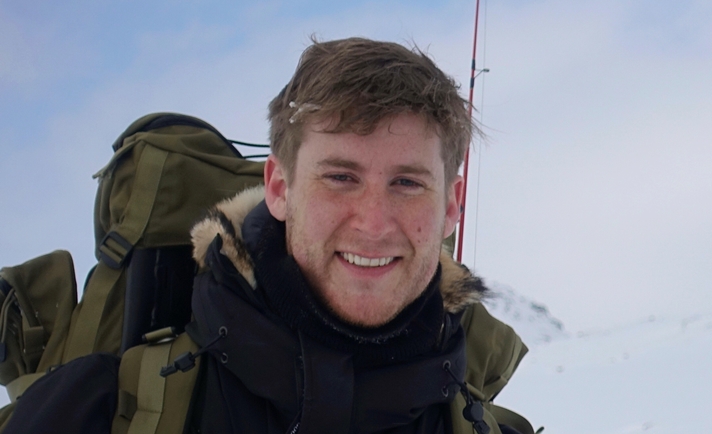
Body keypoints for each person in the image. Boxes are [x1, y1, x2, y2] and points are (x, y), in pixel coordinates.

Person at [7, 37, 532, 434]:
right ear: (280, 187)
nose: (373, 223)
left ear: (451, 206)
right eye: (340, 177)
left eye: (407, 183)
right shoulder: (91, 412)